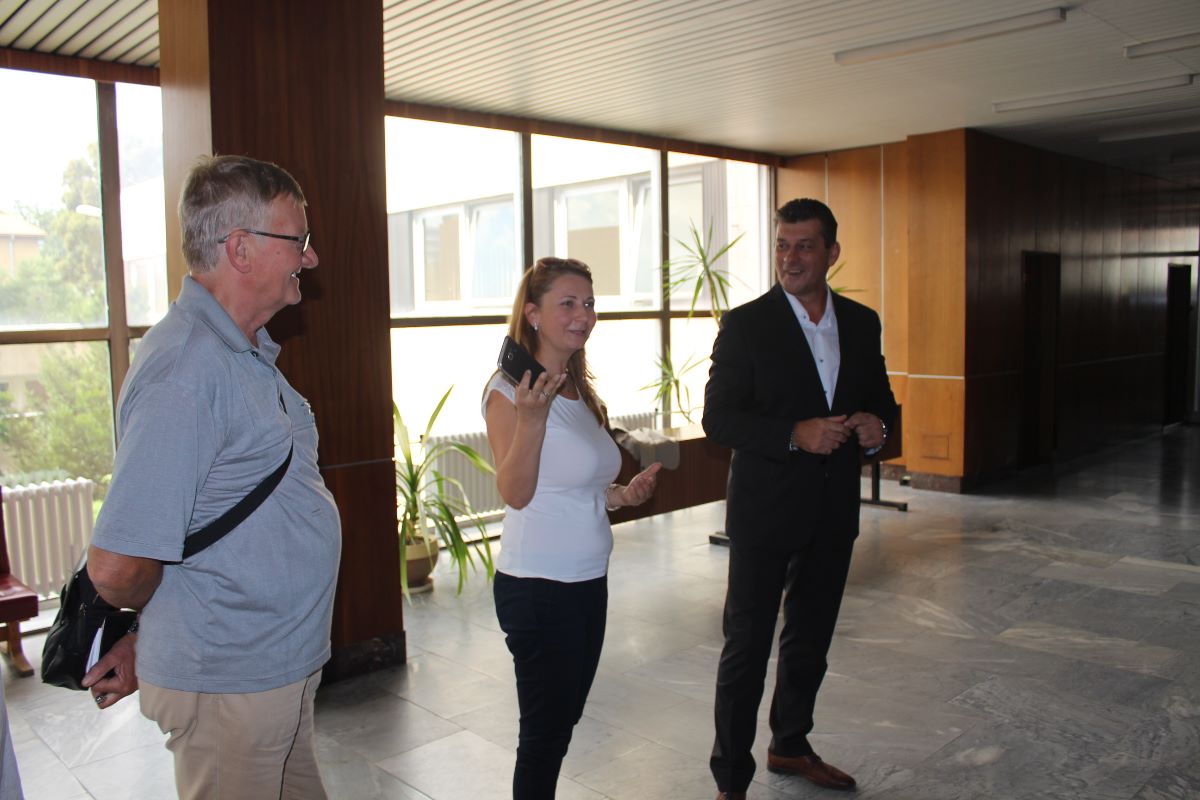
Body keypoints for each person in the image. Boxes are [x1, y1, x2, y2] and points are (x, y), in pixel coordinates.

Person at [83, 155, 341, 800]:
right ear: (241, 248)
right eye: (299, 240)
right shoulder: (185, 371)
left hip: (269, 669)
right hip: (230, 681)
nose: (310, 258)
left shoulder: (239, 351)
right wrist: (167, 631)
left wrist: (150, 631)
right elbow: (117, 566)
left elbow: (200, 521)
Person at [705, 198, 897, 799]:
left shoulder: (861, 322)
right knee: (747, 646)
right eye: (782, 245)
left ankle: (790, 744)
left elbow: (882, 401)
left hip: (833, 510)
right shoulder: (746, 325)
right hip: (764, 511)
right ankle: (731, 780)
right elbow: (718, 418)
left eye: (804, 246)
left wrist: (878, 429)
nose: (790, 258)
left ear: (831, 253)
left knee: (810, 640)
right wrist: (794, 433)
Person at [483, 257, 662, 799]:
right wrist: (531, 420)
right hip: (539, 587)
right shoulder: (509, 391)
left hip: (586, 582)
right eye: (567, 303)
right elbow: (516, 492)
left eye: (589, 303)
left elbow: (574, 486)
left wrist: (620, 496)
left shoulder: (574, 389)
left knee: (562, 722)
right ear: (533, 314)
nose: (583, 315)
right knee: (544, 736)